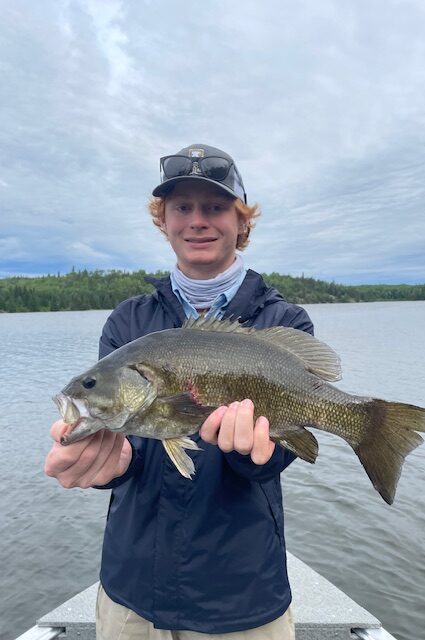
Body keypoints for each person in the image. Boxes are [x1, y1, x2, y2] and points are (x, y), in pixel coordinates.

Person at [45, 144, 314, 639]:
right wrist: (107, 463)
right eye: (182, 208)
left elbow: (281, 457)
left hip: (241, 592)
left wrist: (253, 455)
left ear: (241, 221)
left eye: (214, 207)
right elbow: (128, 448)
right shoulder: (128, 322)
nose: (197, 221)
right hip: (132, 586)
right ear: (163, 221)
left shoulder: (285, 321)